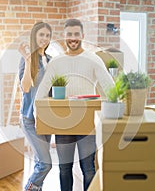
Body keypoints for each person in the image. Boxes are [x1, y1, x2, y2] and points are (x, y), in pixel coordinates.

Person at [35, 19, 114, 191]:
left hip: (87, 123)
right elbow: (41, 92)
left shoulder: (93, 59)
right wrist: (39, 117)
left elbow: (111, 88)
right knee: (64, 169)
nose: (73, 38)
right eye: (69, 34)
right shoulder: (56, 62)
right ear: (64, 37)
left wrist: (108, 113)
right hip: (63, 122)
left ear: (83, 36)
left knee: (88, 170)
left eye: (76, 34)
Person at [18, 21, 53, 191]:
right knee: (46, 163)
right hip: (30, 118)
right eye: (41, 35)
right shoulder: (27, 59)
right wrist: (28, 58)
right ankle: (29, 188)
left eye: (47, 35)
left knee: (41, 161)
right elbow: (25, 88)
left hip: (46, 118)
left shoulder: (51, 60)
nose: (44, 38)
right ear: (34, 36)